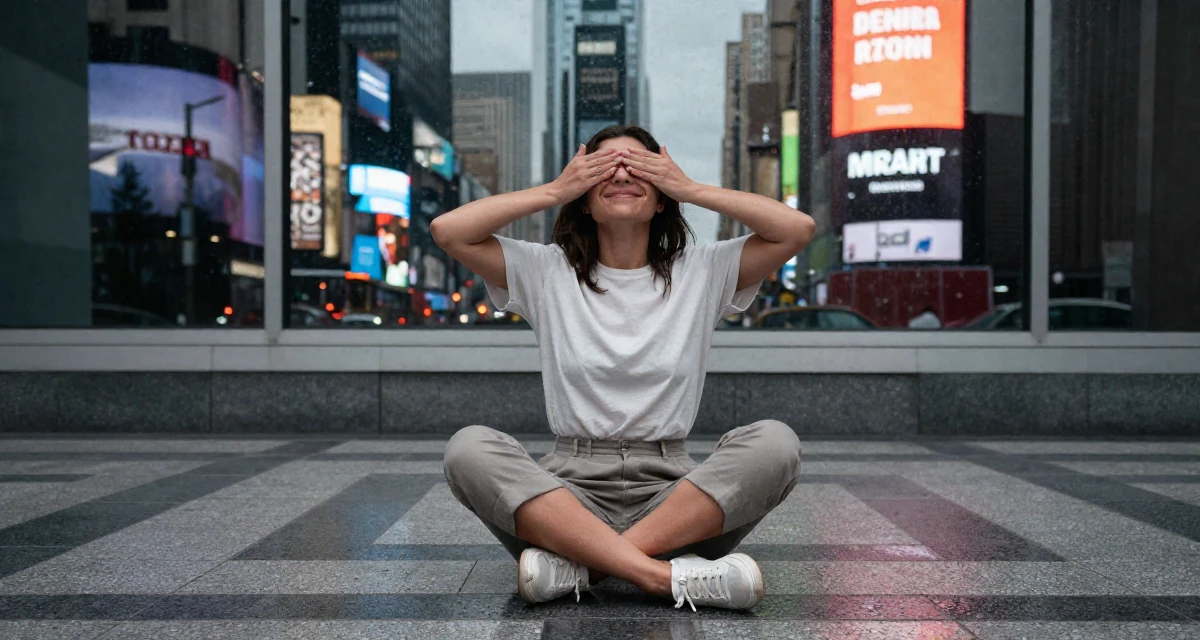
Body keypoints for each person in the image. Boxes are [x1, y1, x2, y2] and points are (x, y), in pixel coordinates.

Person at [430, 125, 814, 612]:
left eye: (639, 166)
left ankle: (583, 567)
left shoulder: (703, 270)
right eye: (602, 167)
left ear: (662, 197)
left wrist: (690, 189)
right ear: (583, 199)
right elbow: (448, 231)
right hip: (566, 498)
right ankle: (660, 577)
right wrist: (554, 191)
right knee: (468, 448)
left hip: (676, 502)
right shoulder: (545, 270)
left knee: (776, 443)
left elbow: (797, 229)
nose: (621, 175)